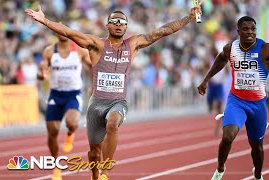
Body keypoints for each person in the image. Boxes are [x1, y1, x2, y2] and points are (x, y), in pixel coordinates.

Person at [25, 2, 203, 180]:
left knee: (113, 123)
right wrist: (44, 21)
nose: (118, 24)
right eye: (114, 21)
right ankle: (95, 175)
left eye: (122, 22)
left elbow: (162, 31)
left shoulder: (133, 44)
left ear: (126, 26)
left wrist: (189, 17)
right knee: (94, 153)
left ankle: (104, 172)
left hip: (118, 102)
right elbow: (70, 33)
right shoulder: (97, 44)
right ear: (107, 25)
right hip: (96, 104)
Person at [197, 16, 269, 180]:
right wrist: (205, 80)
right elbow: (220, 60)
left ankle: (258, 174)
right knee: (228, 136)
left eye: (253, 28)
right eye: (245, 29)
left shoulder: (267, 49)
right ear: (238, 31)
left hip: (257, 104)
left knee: (257, 146)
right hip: (236, 101)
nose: (250, 32)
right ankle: (220, 168)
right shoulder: (231, 49)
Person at [37, 33, 91, 180]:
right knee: (52, 131)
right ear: (56, 33)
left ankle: (70, 134)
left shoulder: (79, 50)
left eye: (65, 30)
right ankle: (56, 167)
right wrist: (41, 75)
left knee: (72, 123)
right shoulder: (49, 51)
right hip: (55, 95)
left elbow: (93, 66)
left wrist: (95, 85)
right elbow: (41, 72)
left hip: (73, 95)